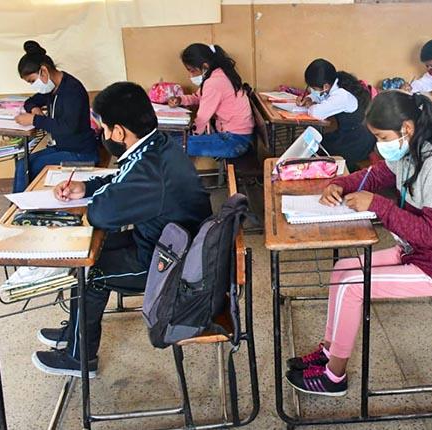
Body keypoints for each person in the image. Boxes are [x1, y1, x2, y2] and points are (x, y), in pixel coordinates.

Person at [285, 90, 432, 396]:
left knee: (352, 286)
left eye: (382, 137)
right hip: (417, 253)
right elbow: (373, 176)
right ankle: (329, 351)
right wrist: (338, 184)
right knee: (342, 269)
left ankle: (334, 377)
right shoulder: (411, 151)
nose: (379, 144)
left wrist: (378, 205)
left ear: (407, 128)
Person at [32, 82, 212, 377]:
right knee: (94, 253)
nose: (103, 135)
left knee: (92, 273)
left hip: (170, 265)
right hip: (170, 244)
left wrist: (93, 199)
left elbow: (101, 215)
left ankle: (80, 359)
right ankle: (75, 333)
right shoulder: (158, 144)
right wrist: (85, 187)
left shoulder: (150, 170)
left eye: (103, 129)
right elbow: (122, 179)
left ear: (118, 132)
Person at [13, 40, 98, 192]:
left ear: (44, 71)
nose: (33, 85)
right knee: (22, 165)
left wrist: (34, 120)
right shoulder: (52, 88)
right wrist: (34, 109)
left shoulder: (72, 90)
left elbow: (68, 127)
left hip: (81, 153)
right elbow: (30, 101)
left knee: (26, 168)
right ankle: (20, 204)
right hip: (62, 147)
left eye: (32, 81)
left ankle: (19, 205)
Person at [168, 43, 253, 158]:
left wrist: (192, 134)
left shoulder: (214, 82)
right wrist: (180, 100)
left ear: (205, 66)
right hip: (237, 136)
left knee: (173, 144)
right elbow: (199, 97)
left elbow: (203, 117)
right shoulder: (219, 74)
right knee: (174, 141)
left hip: (234, 141)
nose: (190, 75)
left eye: (192, 71)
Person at [296, 59, 375, 172]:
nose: (311, 90)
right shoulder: (334, 83)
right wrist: (309, 98)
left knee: (317, 153)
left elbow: (316, 113)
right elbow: (320, 97)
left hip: (355, 143)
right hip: (344, 136)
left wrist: (310, 105)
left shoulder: (341, 95)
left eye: (313, 88)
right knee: (315, 148)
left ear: (326, 86)